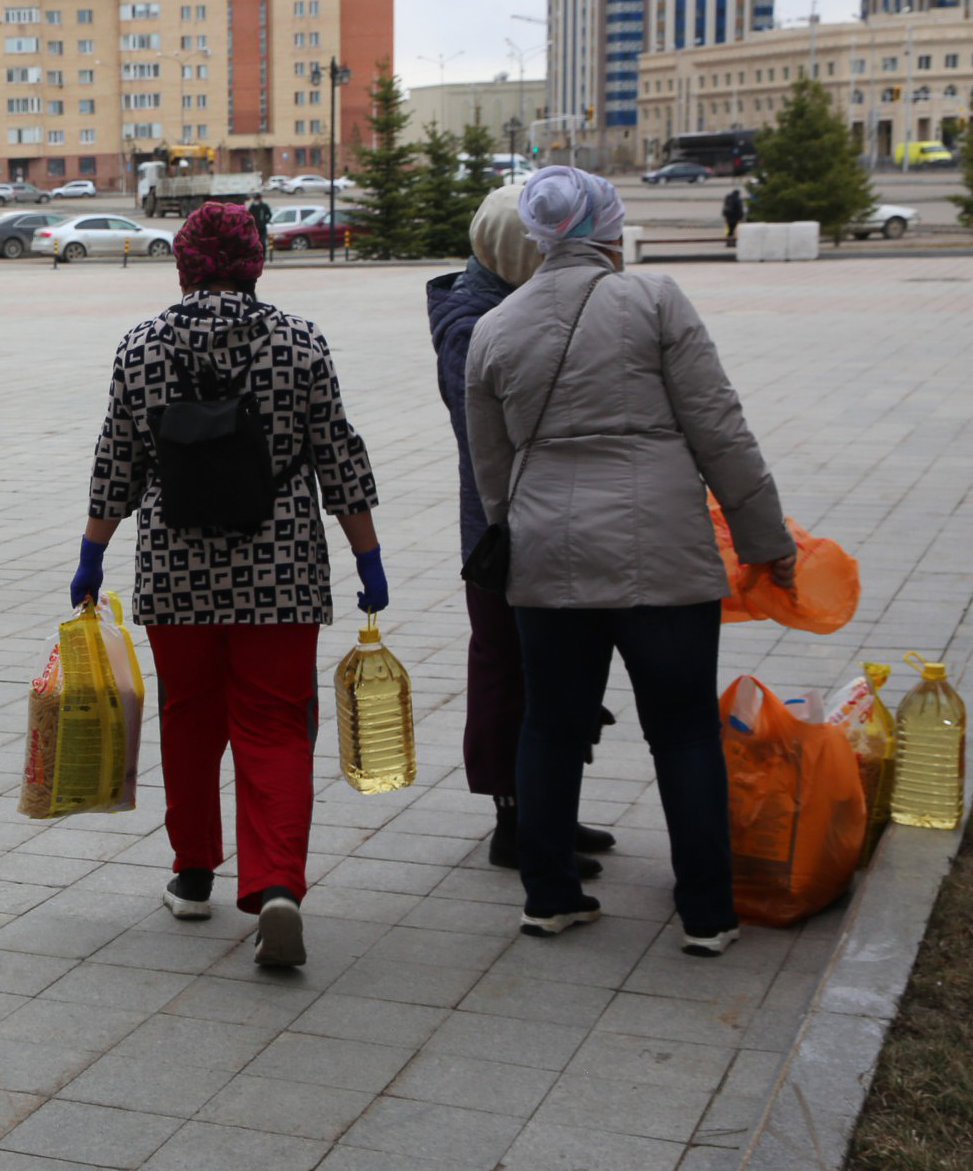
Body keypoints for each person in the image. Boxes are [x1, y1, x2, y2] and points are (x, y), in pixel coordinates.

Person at [465, 166, 795, 955]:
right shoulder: (655, 300)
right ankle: (707, 914)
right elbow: (720, 429)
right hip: (664, 555)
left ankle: (549, 898)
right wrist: (766, 541)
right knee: (683, 732)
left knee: (549, 727)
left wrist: (521, 532)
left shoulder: (495, 328)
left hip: (547, 557)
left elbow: (491, 472)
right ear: (608, 230)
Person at [76, 200, 385, 969]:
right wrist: (368, 557)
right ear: (257, 260)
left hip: (175, 567)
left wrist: (92, 553)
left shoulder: (141, 346)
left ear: (183, 265)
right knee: (275, 724)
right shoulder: (300, 340)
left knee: (188, 717)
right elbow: (338, 456)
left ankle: (192, 875)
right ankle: (276, 885)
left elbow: (117, 462)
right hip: (281, 566)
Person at [427, 186, 617, 881]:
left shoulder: (512, 303)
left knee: (557, 671)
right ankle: (516, 822)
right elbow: (494, 432)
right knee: (508, 671)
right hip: (501, 533)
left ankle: (551, 809)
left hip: (550, 516)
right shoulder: (471, 323)